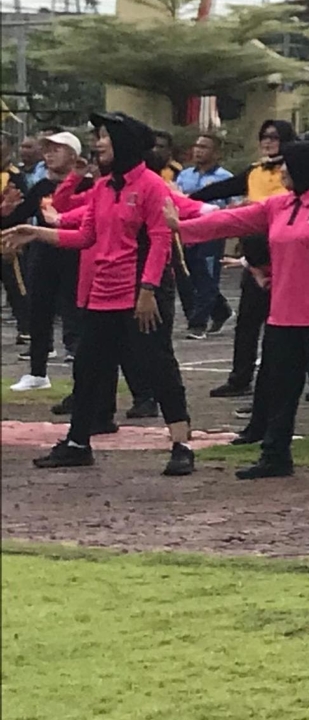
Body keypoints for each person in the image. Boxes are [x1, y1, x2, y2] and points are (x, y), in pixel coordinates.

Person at [176, 140, 309, 483]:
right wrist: (178, 227)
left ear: (305, 167)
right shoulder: (279, 205)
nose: (282, 171)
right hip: (283, 313)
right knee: (279, 388)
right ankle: (275, 455)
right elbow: (228, 221)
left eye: (287, 164)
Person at [2, 113, 198, 476]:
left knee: (159, 367)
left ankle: (181, 444)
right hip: (103, 294)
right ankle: (78, 443)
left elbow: (159, 241)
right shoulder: (105, 188)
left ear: (124, 142)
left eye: (104, 136)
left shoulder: (152, 186)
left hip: (141, 293)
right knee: (88, 368)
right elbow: (85, 237)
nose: (97, 143)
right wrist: (35, 232)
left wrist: (148, 290)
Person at [192, 118, 293, 400]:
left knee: (286, 326)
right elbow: (224, 189)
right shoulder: (255, 171)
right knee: (248, 320)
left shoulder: (294, 170)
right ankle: (240, 379)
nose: (268, 141)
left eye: (274, 137)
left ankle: (301, 382)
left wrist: (253, 206)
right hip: (255, 255)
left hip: (285, 255)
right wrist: (191, 199)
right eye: (264, 137)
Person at [8, 131, 84, 390]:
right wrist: (7, 211)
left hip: (75, 253)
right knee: (39, 311)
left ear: (73, 155)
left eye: (57, 149)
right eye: (48, 150)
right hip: (43, 255)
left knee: (75, 312)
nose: (50, 154)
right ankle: (38, 372)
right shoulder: (41, 187)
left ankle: (80, 368)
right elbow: (20, 217)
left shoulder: (86, 186)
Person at [171, 134, 234, 338]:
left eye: (204, 147)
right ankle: (220, 310)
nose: (198, 150)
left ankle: (198, 323)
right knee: (189, 276)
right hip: (186, 230)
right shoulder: (184, 175)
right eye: (196, 146)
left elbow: (234, 204)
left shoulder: (225, 178)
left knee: (207, 276)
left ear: (216, 153)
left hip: (211, 232)